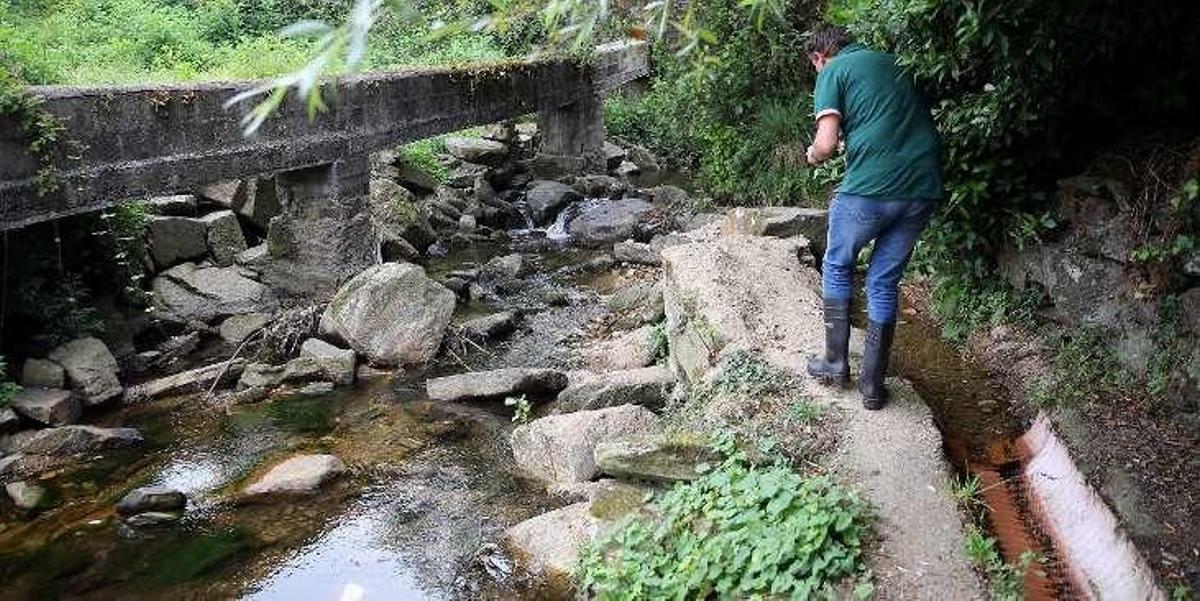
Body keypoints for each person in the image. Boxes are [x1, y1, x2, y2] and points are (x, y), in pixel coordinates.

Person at [802, 25, 943, 410]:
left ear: (819, 57)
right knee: (883, 281)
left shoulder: (833, 71)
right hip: (922, 188)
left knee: (837, 264)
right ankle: (873, 386)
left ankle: (834, 363)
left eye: (815, 67)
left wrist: (813, 155)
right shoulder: (897, 64)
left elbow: (826, 143)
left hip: (871, 189)